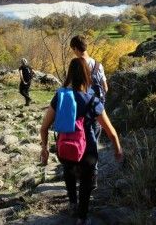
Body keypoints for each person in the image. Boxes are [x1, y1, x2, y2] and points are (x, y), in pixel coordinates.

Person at [40, 58, 122, 225]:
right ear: (87, 75)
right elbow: (111, 132)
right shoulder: (93, 100)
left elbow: (44, 127)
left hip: (64, 148)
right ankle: (82, 218)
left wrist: (45, 148)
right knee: (86, 182)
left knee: (68, 172)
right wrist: (117, 149)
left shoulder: (60, 96)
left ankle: (72, 204)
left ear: (69, 74)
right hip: (87, 151)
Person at [70, 35, 109, 188]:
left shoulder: (77, 65)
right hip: (96, 112)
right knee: (93, 144)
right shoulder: (98, 65)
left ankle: (81, 176)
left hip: (79, 114)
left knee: (79, 143)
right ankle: (94, 177)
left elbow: (72, 89)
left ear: (75, 48)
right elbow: (105, 88)